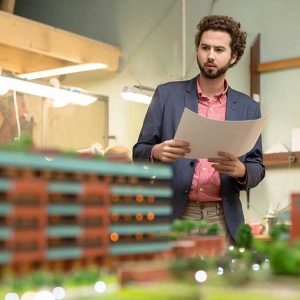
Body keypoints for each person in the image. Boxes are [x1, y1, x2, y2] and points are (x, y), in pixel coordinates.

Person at [132, 15, 265, 244]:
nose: (210, 55)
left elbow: (258, 167)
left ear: (233, 57)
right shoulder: (166, 95)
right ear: (197, 49)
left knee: (223, 280)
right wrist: (155, 152)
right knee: (174, 279)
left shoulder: (248, 108)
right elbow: (138, 153)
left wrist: (241, 170)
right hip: (176, 215)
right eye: (205, 47)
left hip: (223, 218)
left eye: (219, 49)